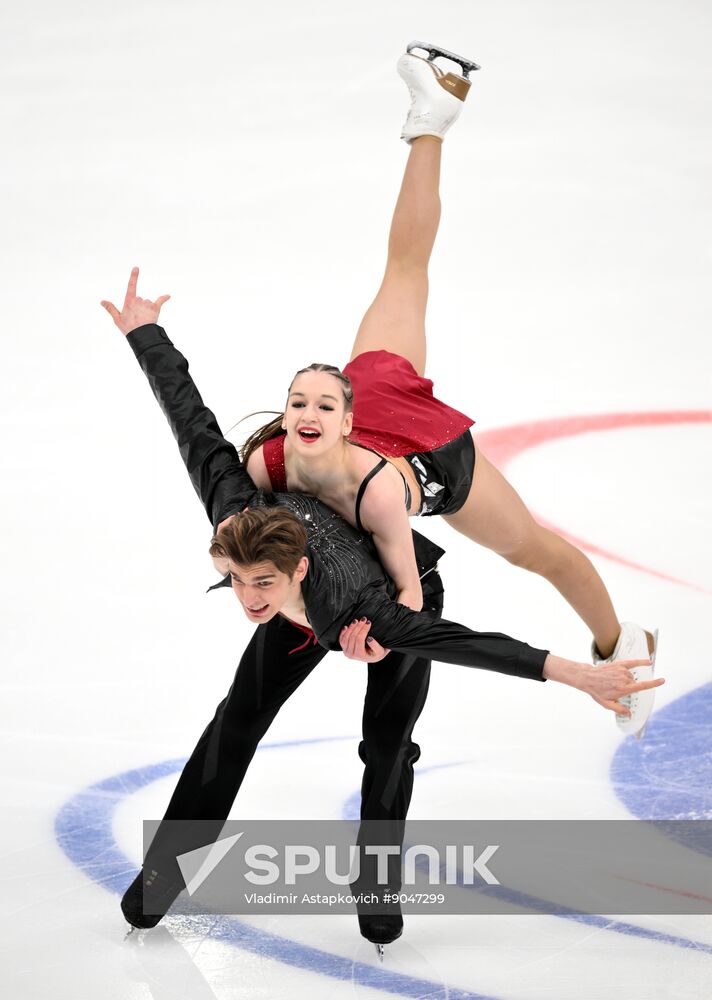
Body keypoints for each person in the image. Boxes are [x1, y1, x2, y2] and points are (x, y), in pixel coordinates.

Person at [100, 269, 662, 950]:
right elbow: (191, 419)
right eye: (239, 583)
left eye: (261, 589)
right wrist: (146, 333)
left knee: (387, 744)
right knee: (236, 722)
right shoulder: (238, 516)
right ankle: (166, 875)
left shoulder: (365, 607)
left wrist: (579, 674)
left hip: (398, 591)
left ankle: (377, 888)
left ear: (296, 571)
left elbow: (468, 642)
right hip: (312, 584)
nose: (249, 603)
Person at [233, 43, 658, 735]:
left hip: (431, 457)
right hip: (375, 390)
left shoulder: (378, 497)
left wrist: (370, 634)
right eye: (298, 407)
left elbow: (405, 595)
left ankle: (624, 650)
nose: (304, 417)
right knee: (404, 267)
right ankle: (433, 114)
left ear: (338, 418)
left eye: (318, 406)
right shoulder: (268, 463)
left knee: (535, 551)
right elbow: (255, 554)